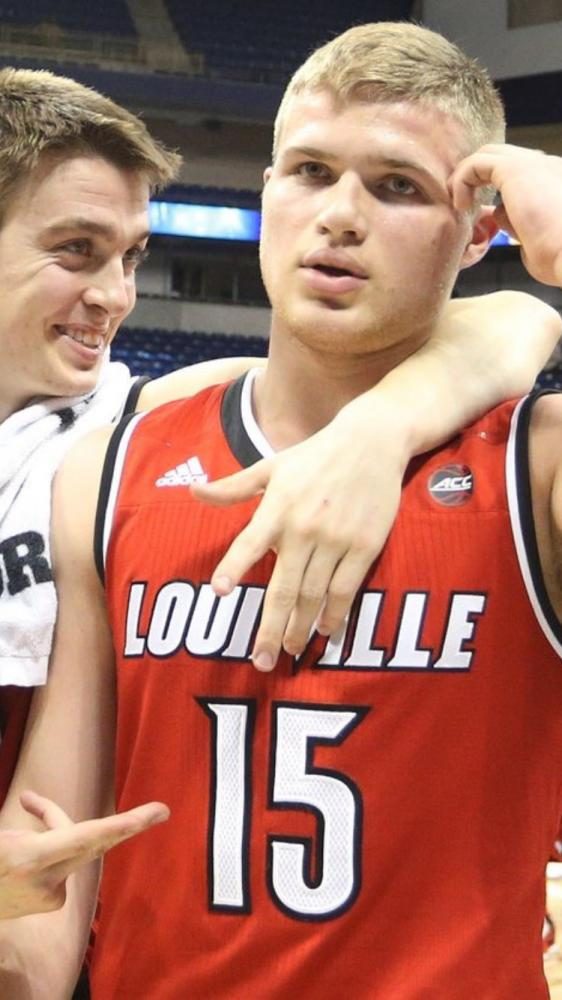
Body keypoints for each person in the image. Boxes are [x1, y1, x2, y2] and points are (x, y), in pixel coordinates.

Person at [1, 22, 562, 997]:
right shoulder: (107, 467)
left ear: (480, 231)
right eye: (307, 170)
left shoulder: (535, 466)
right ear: (264, 192)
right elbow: (48, 871)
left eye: (395, 186)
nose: (339, 213)